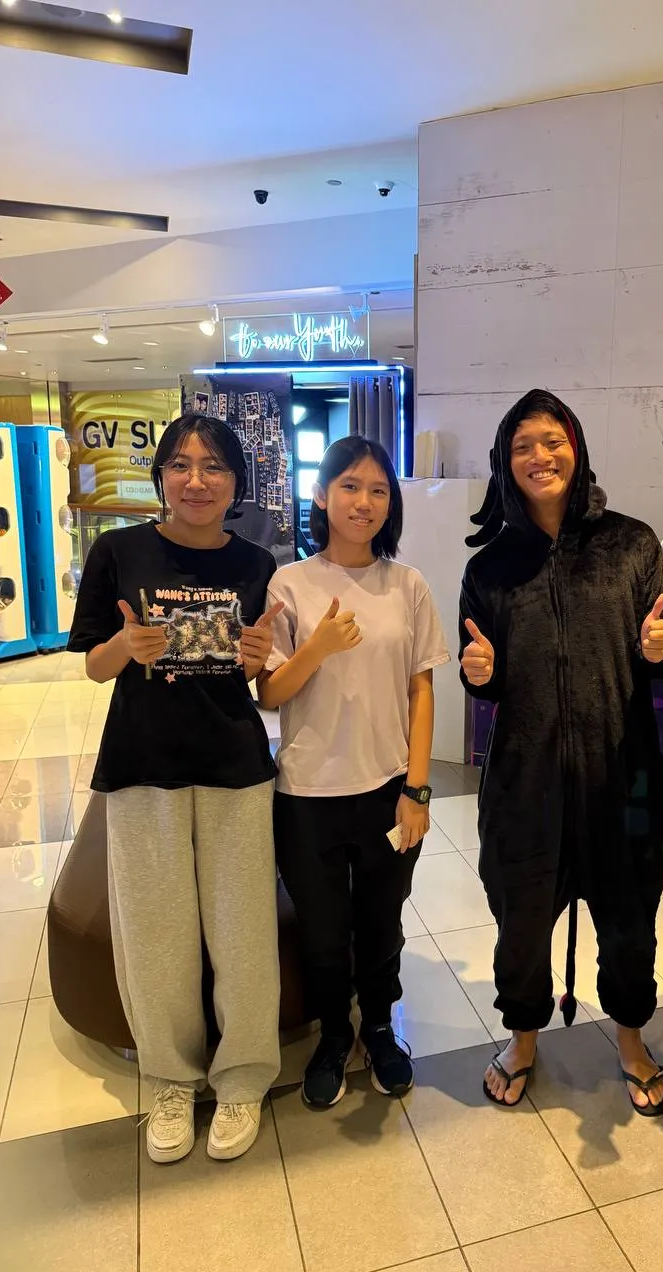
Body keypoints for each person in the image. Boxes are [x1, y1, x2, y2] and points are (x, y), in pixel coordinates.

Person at [67, 413, 284, 1165]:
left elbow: (258, 675)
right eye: (181, 465)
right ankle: (169, 1078)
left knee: (243, 933)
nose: (197, 480)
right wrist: (123, 646)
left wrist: (258, 657)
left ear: (235, 482)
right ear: (160, 476)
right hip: (142, 764)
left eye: (213, 466)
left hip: (235, 766)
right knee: (156, 937)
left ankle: (244, 1076)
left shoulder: (257, 563)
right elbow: (92, 666)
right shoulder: (118, 551)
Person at [460, 389, 663, 1111]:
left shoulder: (632, 545)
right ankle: (522, 1038)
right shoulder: (490, 568)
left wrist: (660, 647)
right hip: (525, 783)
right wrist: (479, 676)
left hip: (625, 776)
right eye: (523, 446)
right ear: (505, 461)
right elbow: (484, 677)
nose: (540, 457)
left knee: (630, 919)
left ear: (576, 448)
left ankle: (630, 1038)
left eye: (552, 441)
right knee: (520, 923)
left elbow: (661, 656)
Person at [259, 437, 449, 1109]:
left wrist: (417, 789)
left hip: (386, 789)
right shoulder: (290, 583)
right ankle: (334, 1036)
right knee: (320, 931)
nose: (363, 501)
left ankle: (379, 1027)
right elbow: (270, 692)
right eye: (349, 485)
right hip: (306, 793)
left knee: (381, 922)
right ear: (321, 495)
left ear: (389, 503)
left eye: (377, 489)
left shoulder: (407, 585)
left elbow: (421, 690)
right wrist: (316, 646)